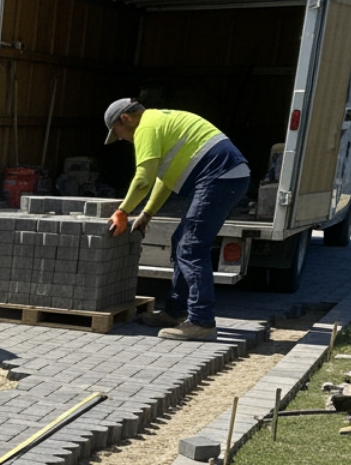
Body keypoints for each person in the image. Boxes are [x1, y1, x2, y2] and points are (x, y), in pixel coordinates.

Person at [103, 99, 251, 341]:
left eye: (117, 132)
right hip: (224, 176)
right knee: (181, 239)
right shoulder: (158, 122)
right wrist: (147, 213)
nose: (119, 138)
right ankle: (175, 312)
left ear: (125, 119)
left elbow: (143, 177)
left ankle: (202, 321)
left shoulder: (146, 128)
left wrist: (123, 211)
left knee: (192, 247)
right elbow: (163, 178)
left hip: (221, 176)